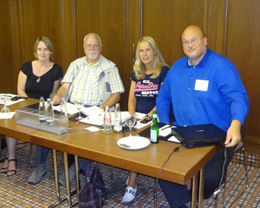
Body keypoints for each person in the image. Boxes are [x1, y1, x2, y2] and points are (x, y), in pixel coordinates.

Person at [156, 25, 249, 208]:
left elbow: (238, 97)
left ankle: (200, 192)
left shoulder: (221, 66)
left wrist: (236, 125)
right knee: (159, 165)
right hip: (181, 129)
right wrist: (164, 123)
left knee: (211, 177)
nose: (190, 45)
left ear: (205, 41)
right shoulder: (176, 68)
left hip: (216, 135)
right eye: (185, 42)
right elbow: (163, 97)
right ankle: (181, 202)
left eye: (194, 40)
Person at [51, 33, 125, 185]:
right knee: (57, 128)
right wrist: (58, 96)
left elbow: (116, 95)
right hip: (73, 109)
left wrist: (101, 108)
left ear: (100, 48)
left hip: (97, 111)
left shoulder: (110, 68)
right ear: (83, 48)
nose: (92, 48)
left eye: (95, 45)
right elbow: (65, 87)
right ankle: (81, 167)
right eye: (88, 45)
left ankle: (74, 169)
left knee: (88, 140)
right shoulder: (75, 64)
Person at [0, 37, 63, 177]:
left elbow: (53, 94)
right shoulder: (26, 67)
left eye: (46, 49)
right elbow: (20, 91)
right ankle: (11, 158)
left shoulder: (56, 70)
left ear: (50, 51)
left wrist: (42, 107)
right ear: (35, 51)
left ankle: (8, 158)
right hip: (24, 105)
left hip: (42, 110)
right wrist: (27, 107)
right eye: (39, 49)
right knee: (10, 122)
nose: (42, 52)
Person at [122, 36, 169, 205]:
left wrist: (148, 117)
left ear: (154, 51)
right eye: (141, 50)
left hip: (156, 118)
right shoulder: (137, 72)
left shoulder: (164, 71)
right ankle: (132, 174)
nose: (144, 53)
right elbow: (131, 99)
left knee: (137, 140)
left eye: (147, 49)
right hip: (138, 117)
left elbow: (163, 100)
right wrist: (132, 116)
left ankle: (131, 183)